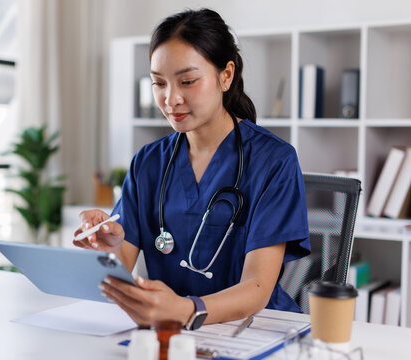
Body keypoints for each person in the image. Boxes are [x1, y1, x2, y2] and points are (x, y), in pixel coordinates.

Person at [73, 8, 310, 329]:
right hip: (173, 328)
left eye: (187, 81)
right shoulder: (148, 162)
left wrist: (185, 310)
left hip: (252, 327)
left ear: (226, 75)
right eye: (158, 83)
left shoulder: (274, 160)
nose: (170, 99)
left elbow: (257, 288)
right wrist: (108, 249)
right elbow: (118, 276)